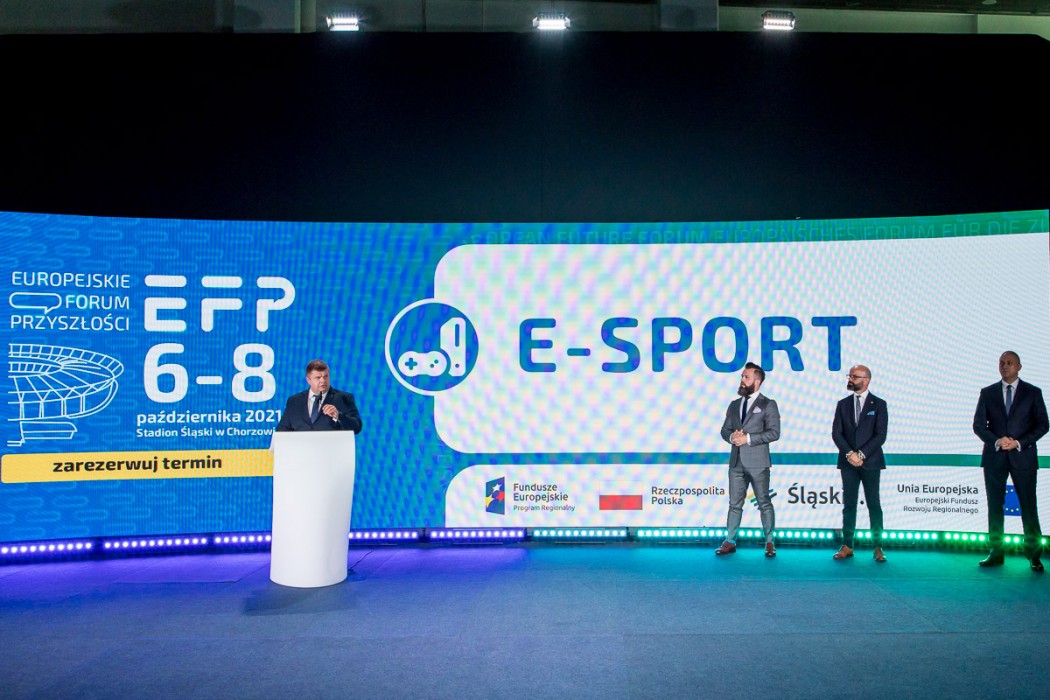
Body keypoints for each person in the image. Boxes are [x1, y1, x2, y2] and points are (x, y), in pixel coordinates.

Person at [973, 351, 1047, 572]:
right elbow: (978, 426)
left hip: (1023, 457)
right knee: (995, 506)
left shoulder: (1033, 392)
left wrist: (1018, 443)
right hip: (994, 458)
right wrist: (997, 441)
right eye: (1002, 363)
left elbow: (1043, 425)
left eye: (1010, 363)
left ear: (1019, 367)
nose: (1005, 366)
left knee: (1028, 506)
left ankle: (1034, 555)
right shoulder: (987, 393)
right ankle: (996, 552)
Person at [716, 362, 780, 557]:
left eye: (746, 377)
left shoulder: (768, 404)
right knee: (734, 504)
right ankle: (730, 541)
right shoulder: (734, 404)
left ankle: (770, 542)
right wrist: (731, 437)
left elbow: (774, 433)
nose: (742, 380)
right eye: (742, 377)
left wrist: (748, 439)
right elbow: (724, 430)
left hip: (758, 463)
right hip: (736, 462)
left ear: (757, 381)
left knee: (764, 502)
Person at [831, 365, 889, 563]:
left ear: (866, 380)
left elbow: (880, 435)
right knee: (849, 504)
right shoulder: (842, 404)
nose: (850, 379)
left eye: (854, 376)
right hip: (848, 462)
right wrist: (850, 454)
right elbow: (836, 433)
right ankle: (847, 545)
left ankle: (878, 546)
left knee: (874, 504)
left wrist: (861, 454)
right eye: (850, 376)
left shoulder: (879, 404)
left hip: (871, 461)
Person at [275, 359, 363, 433]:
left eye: (326, 376)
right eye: (318, 377)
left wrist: (338, 416)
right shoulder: (294, 401)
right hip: (301, 448)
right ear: (308, 380)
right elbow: (282, 430)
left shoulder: (343, 398)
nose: (323, 381)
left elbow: (357, 427)